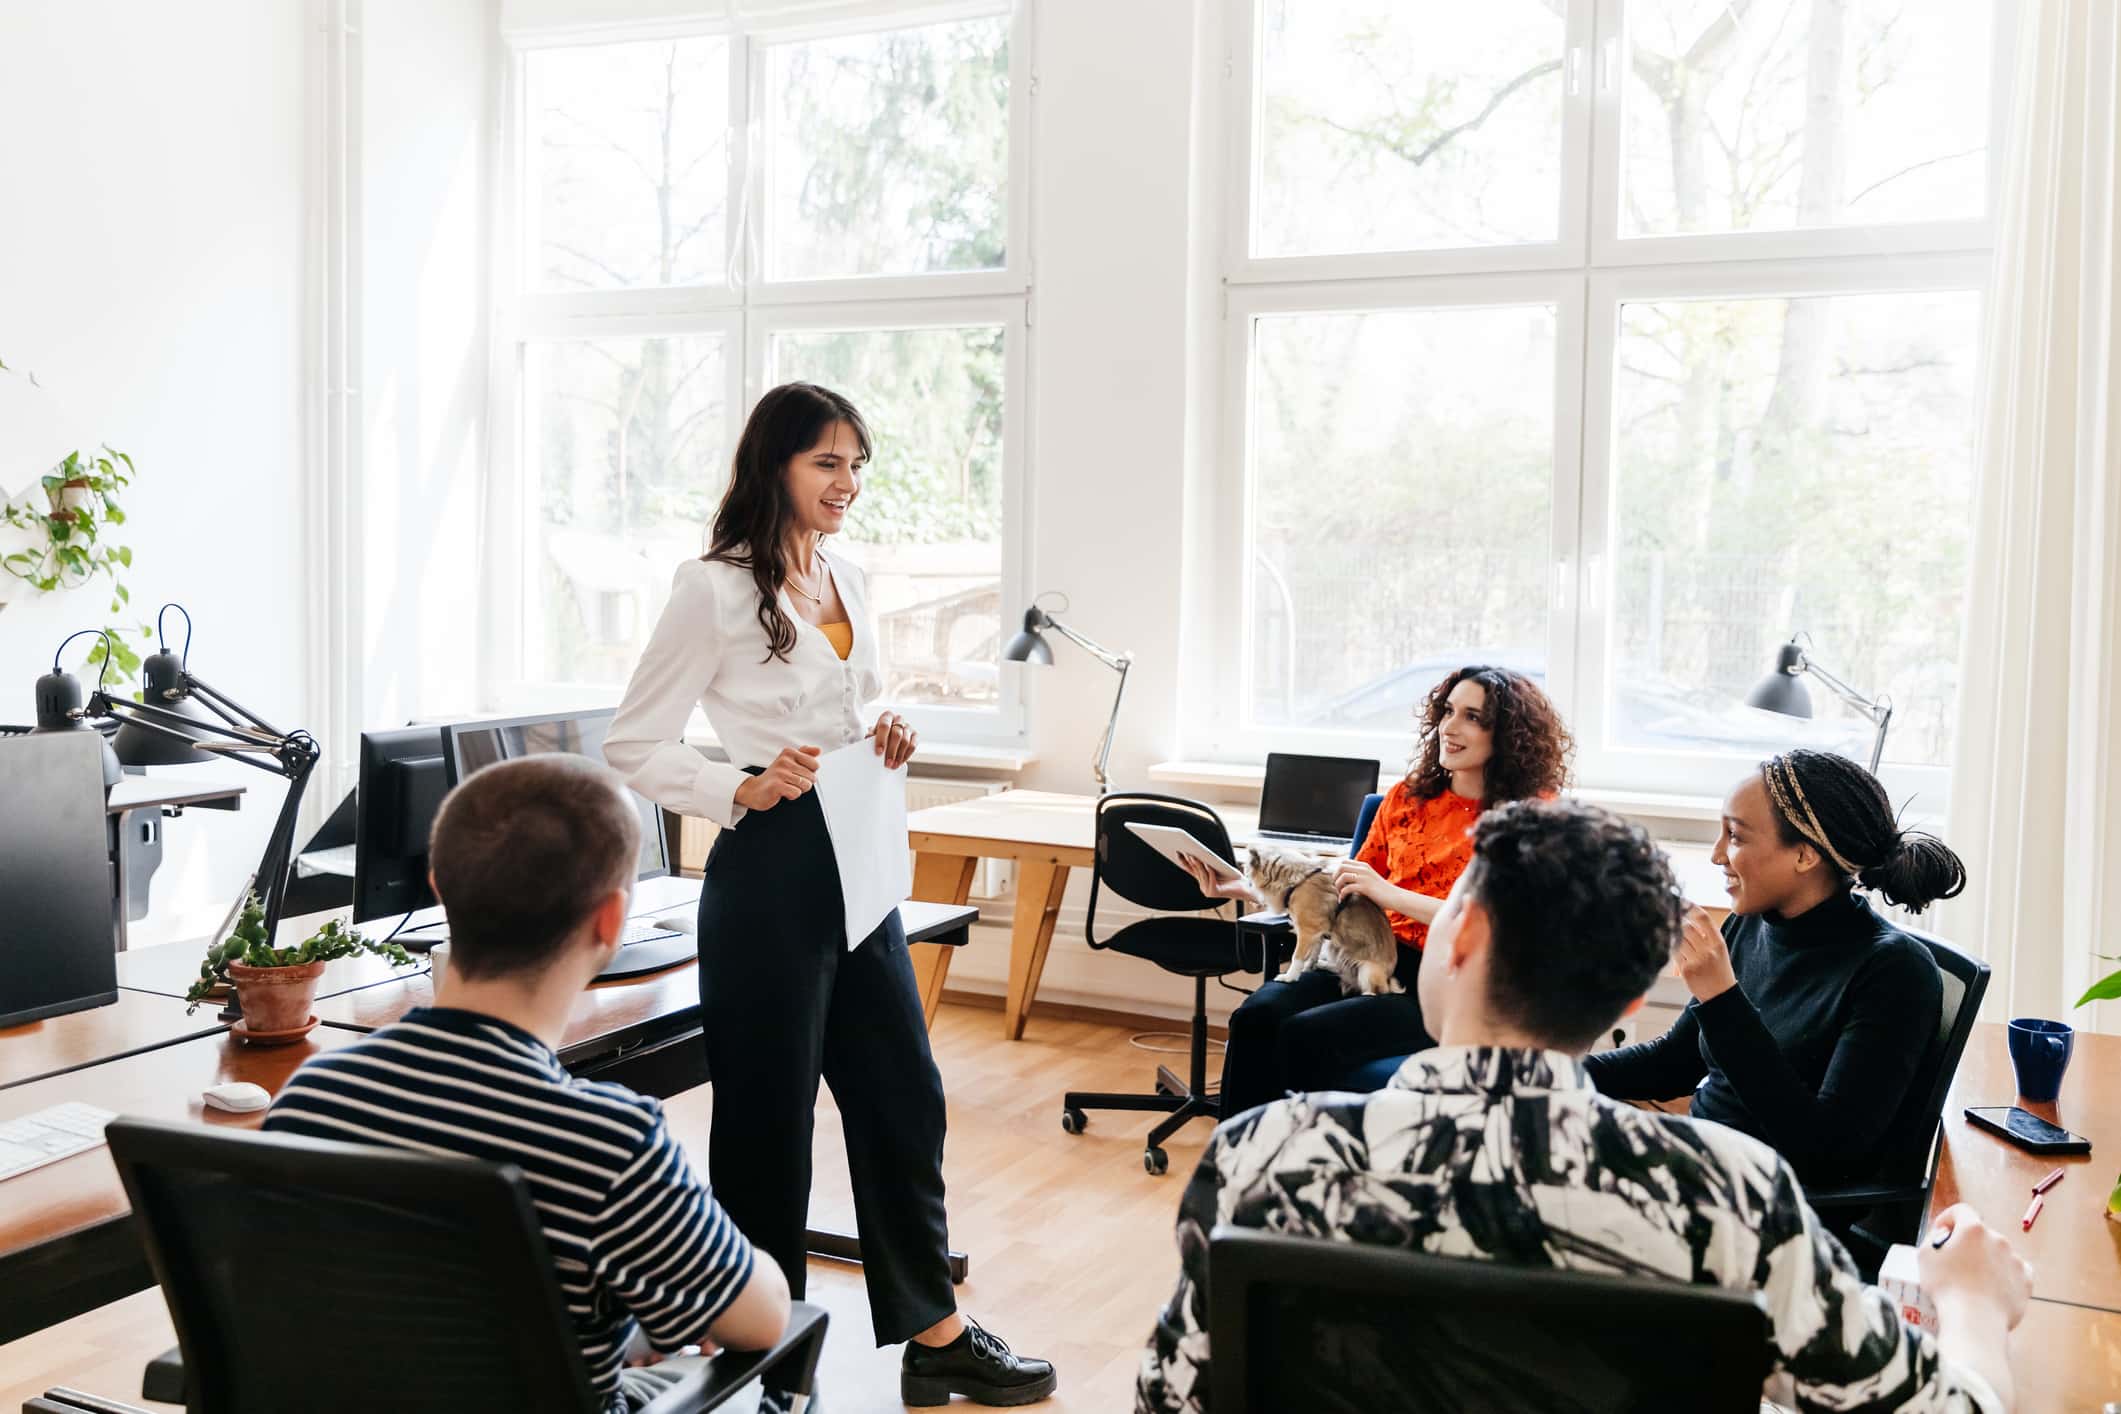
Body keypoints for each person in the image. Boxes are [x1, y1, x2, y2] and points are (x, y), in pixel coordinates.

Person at [1135, 798, 2029, 1414]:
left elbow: (1168, 1398)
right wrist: (1975, 1306)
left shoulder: (1264, 1154)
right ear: (1632, 1003)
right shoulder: (1726, 1199)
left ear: (1464, 937)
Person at [602, 382, 1054, 1408]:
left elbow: (850, 706)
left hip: (860, 853)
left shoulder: (847, 574)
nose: (847, 483)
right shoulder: (710, 587)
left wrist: (890, 729)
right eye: (827, 462)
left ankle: (934, 1331)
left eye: (857, 463)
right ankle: (773, 1358)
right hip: (769, 869)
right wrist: (737, 786)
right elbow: (632, 740)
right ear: (775, 465)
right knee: (769, 1119)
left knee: (905, 1094)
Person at [266, 754, 790, 1413]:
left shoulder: (315, 1095)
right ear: (610, 920)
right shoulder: (608, 1143)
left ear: (438, 887)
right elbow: (765, 1319)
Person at [1183, 665, 1570, 1115]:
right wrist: (1246, 889)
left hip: (1450, 983)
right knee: (1256, 1016)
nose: (1450, 726)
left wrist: (1390, 895)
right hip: (1366, 954)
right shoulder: (1408, 797)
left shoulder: (1532, 817)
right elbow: (1342, 893)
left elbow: (1502, 923)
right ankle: (1235, 1168)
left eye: (1473, 717)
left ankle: (1303, 1168)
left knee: (1304, 1036)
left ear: (1508, 737)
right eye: (1447, 711)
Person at [1585, 748, 1966, 1184]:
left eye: (1736, 836)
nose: (1717, 855)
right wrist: (1552, 1072)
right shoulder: (1749, 925)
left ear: (1805, 856)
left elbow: (1825, 1152)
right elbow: (1674, 1062)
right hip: (1699, 1158)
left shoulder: (1895, 973)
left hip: (1769, 1204)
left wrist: (1722, 1000)